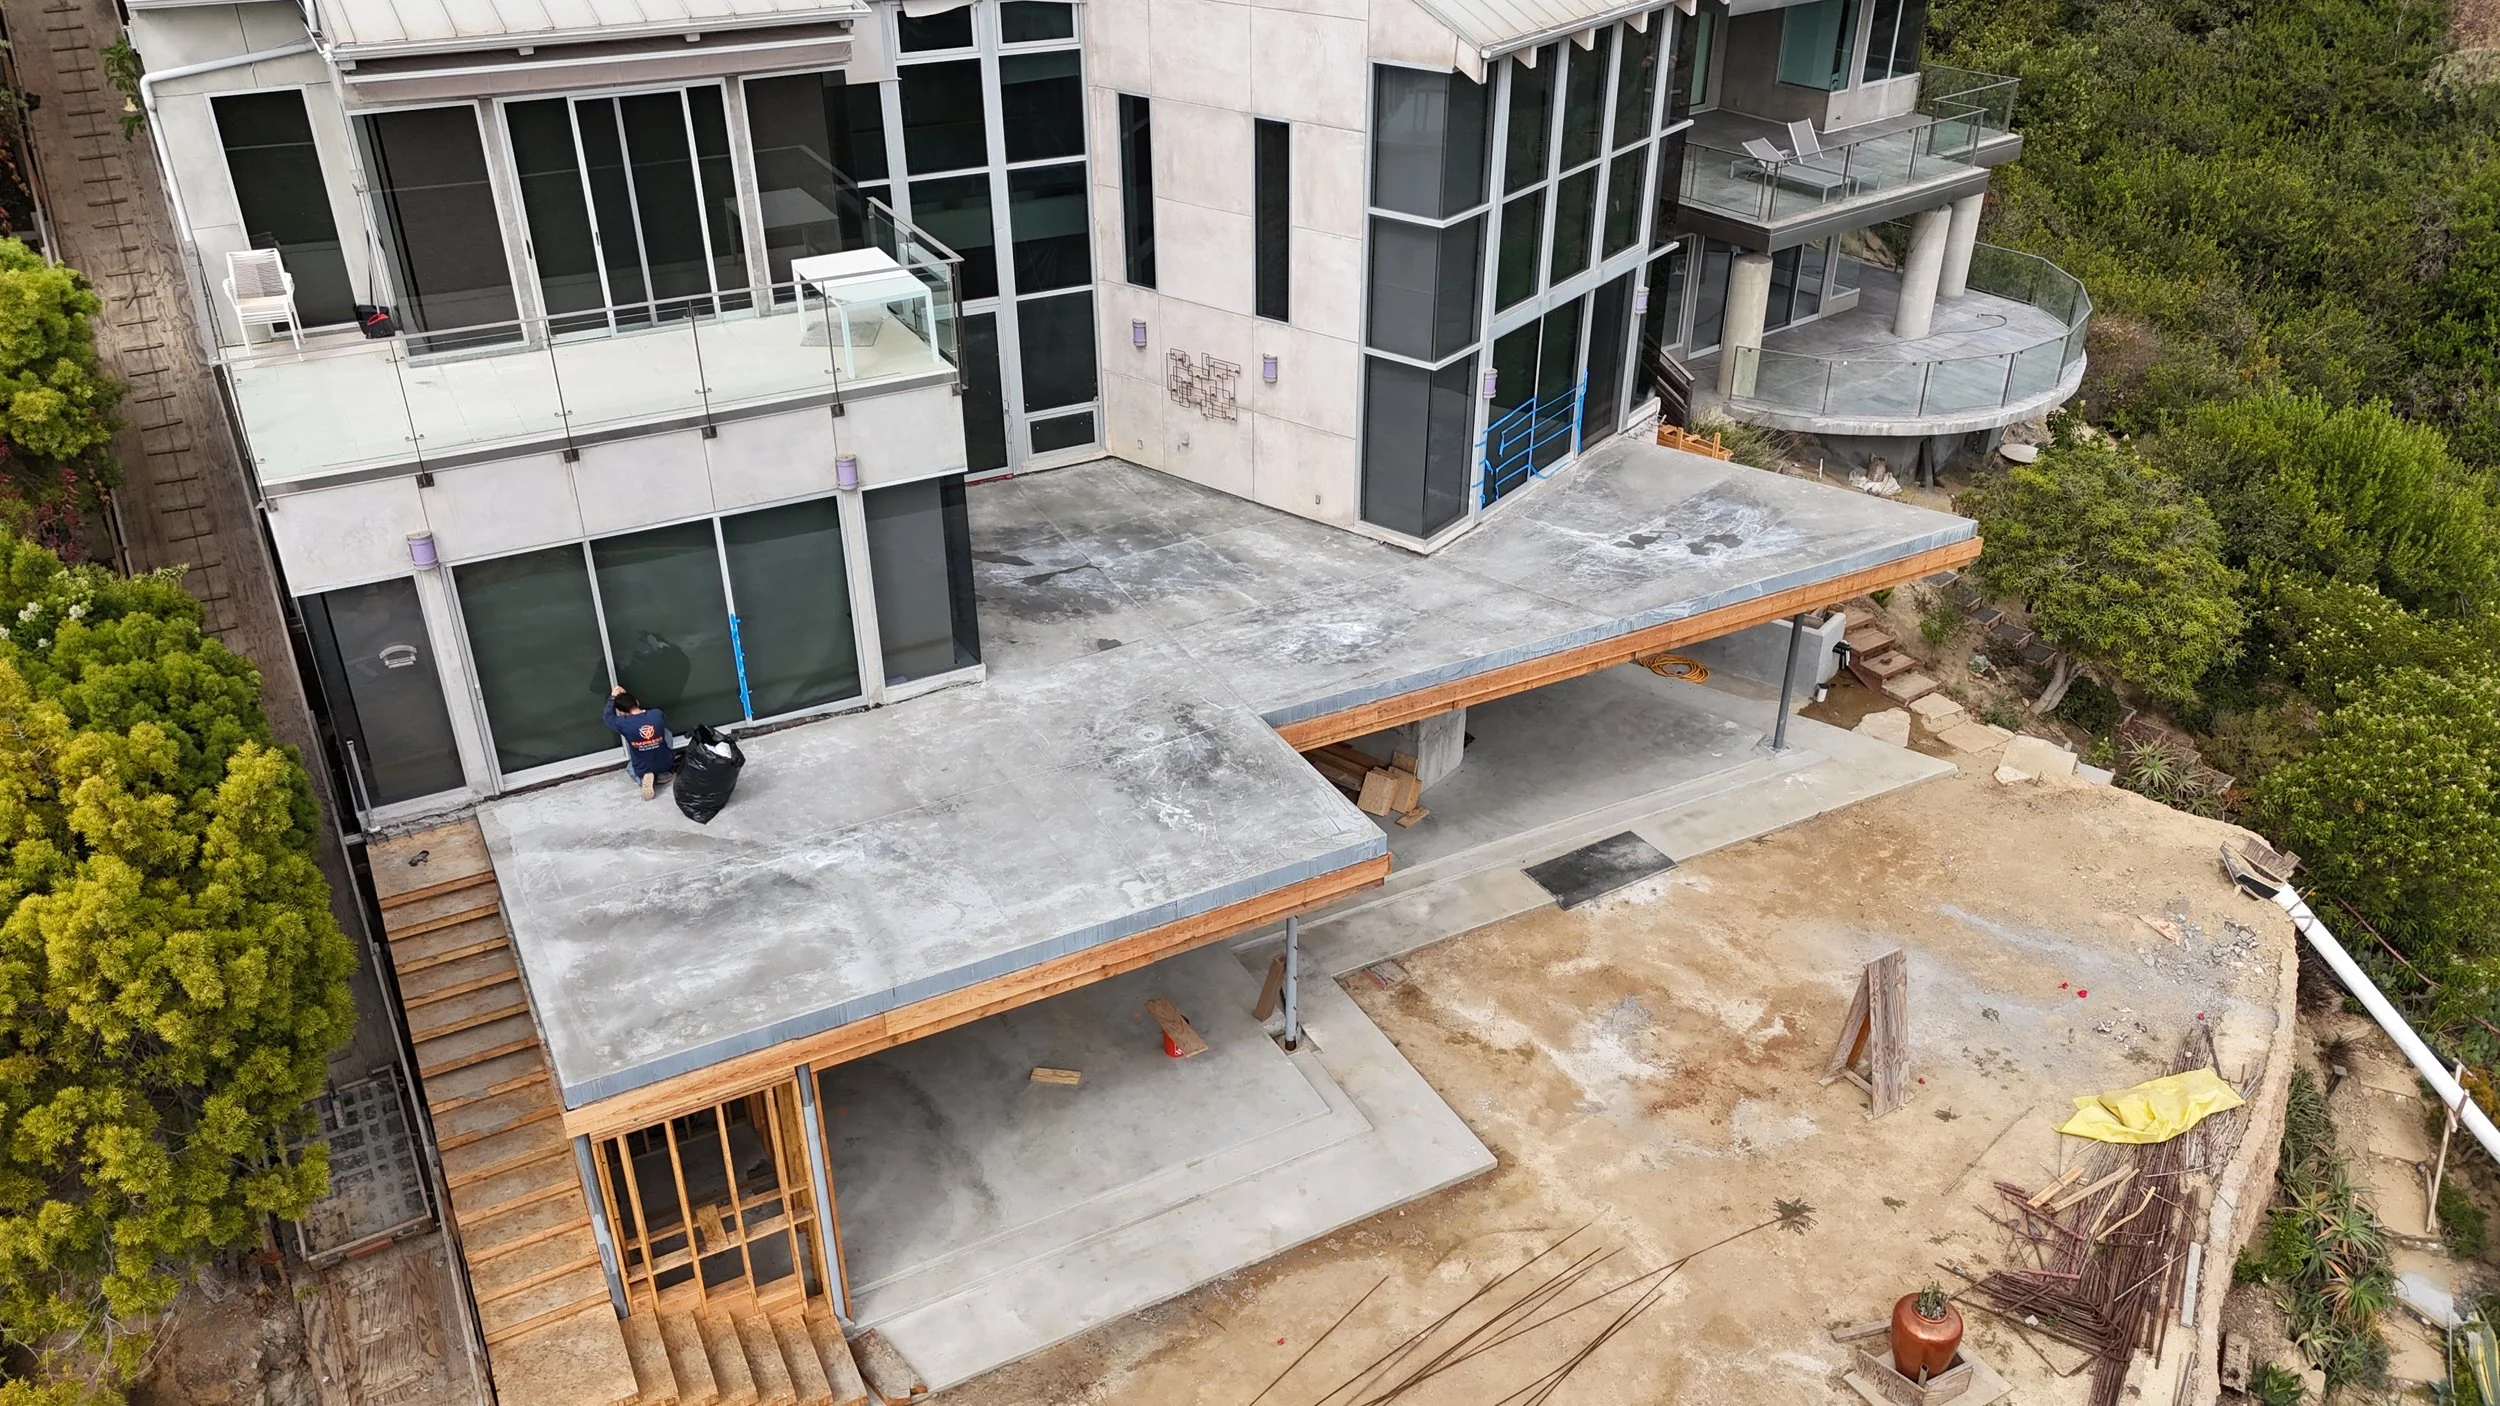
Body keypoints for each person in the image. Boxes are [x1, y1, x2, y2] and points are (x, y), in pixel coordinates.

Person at [603, 686, 677, 799]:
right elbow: (663, 723)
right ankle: (663, 774)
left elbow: (607, 716)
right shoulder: (657, 713)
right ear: (637, 702)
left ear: (622, 713)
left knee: (630, 766)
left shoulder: (623, 723)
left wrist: (612, 697)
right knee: (665, 731)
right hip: (665, 762)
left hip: (642, 766)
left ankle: (644, 779)